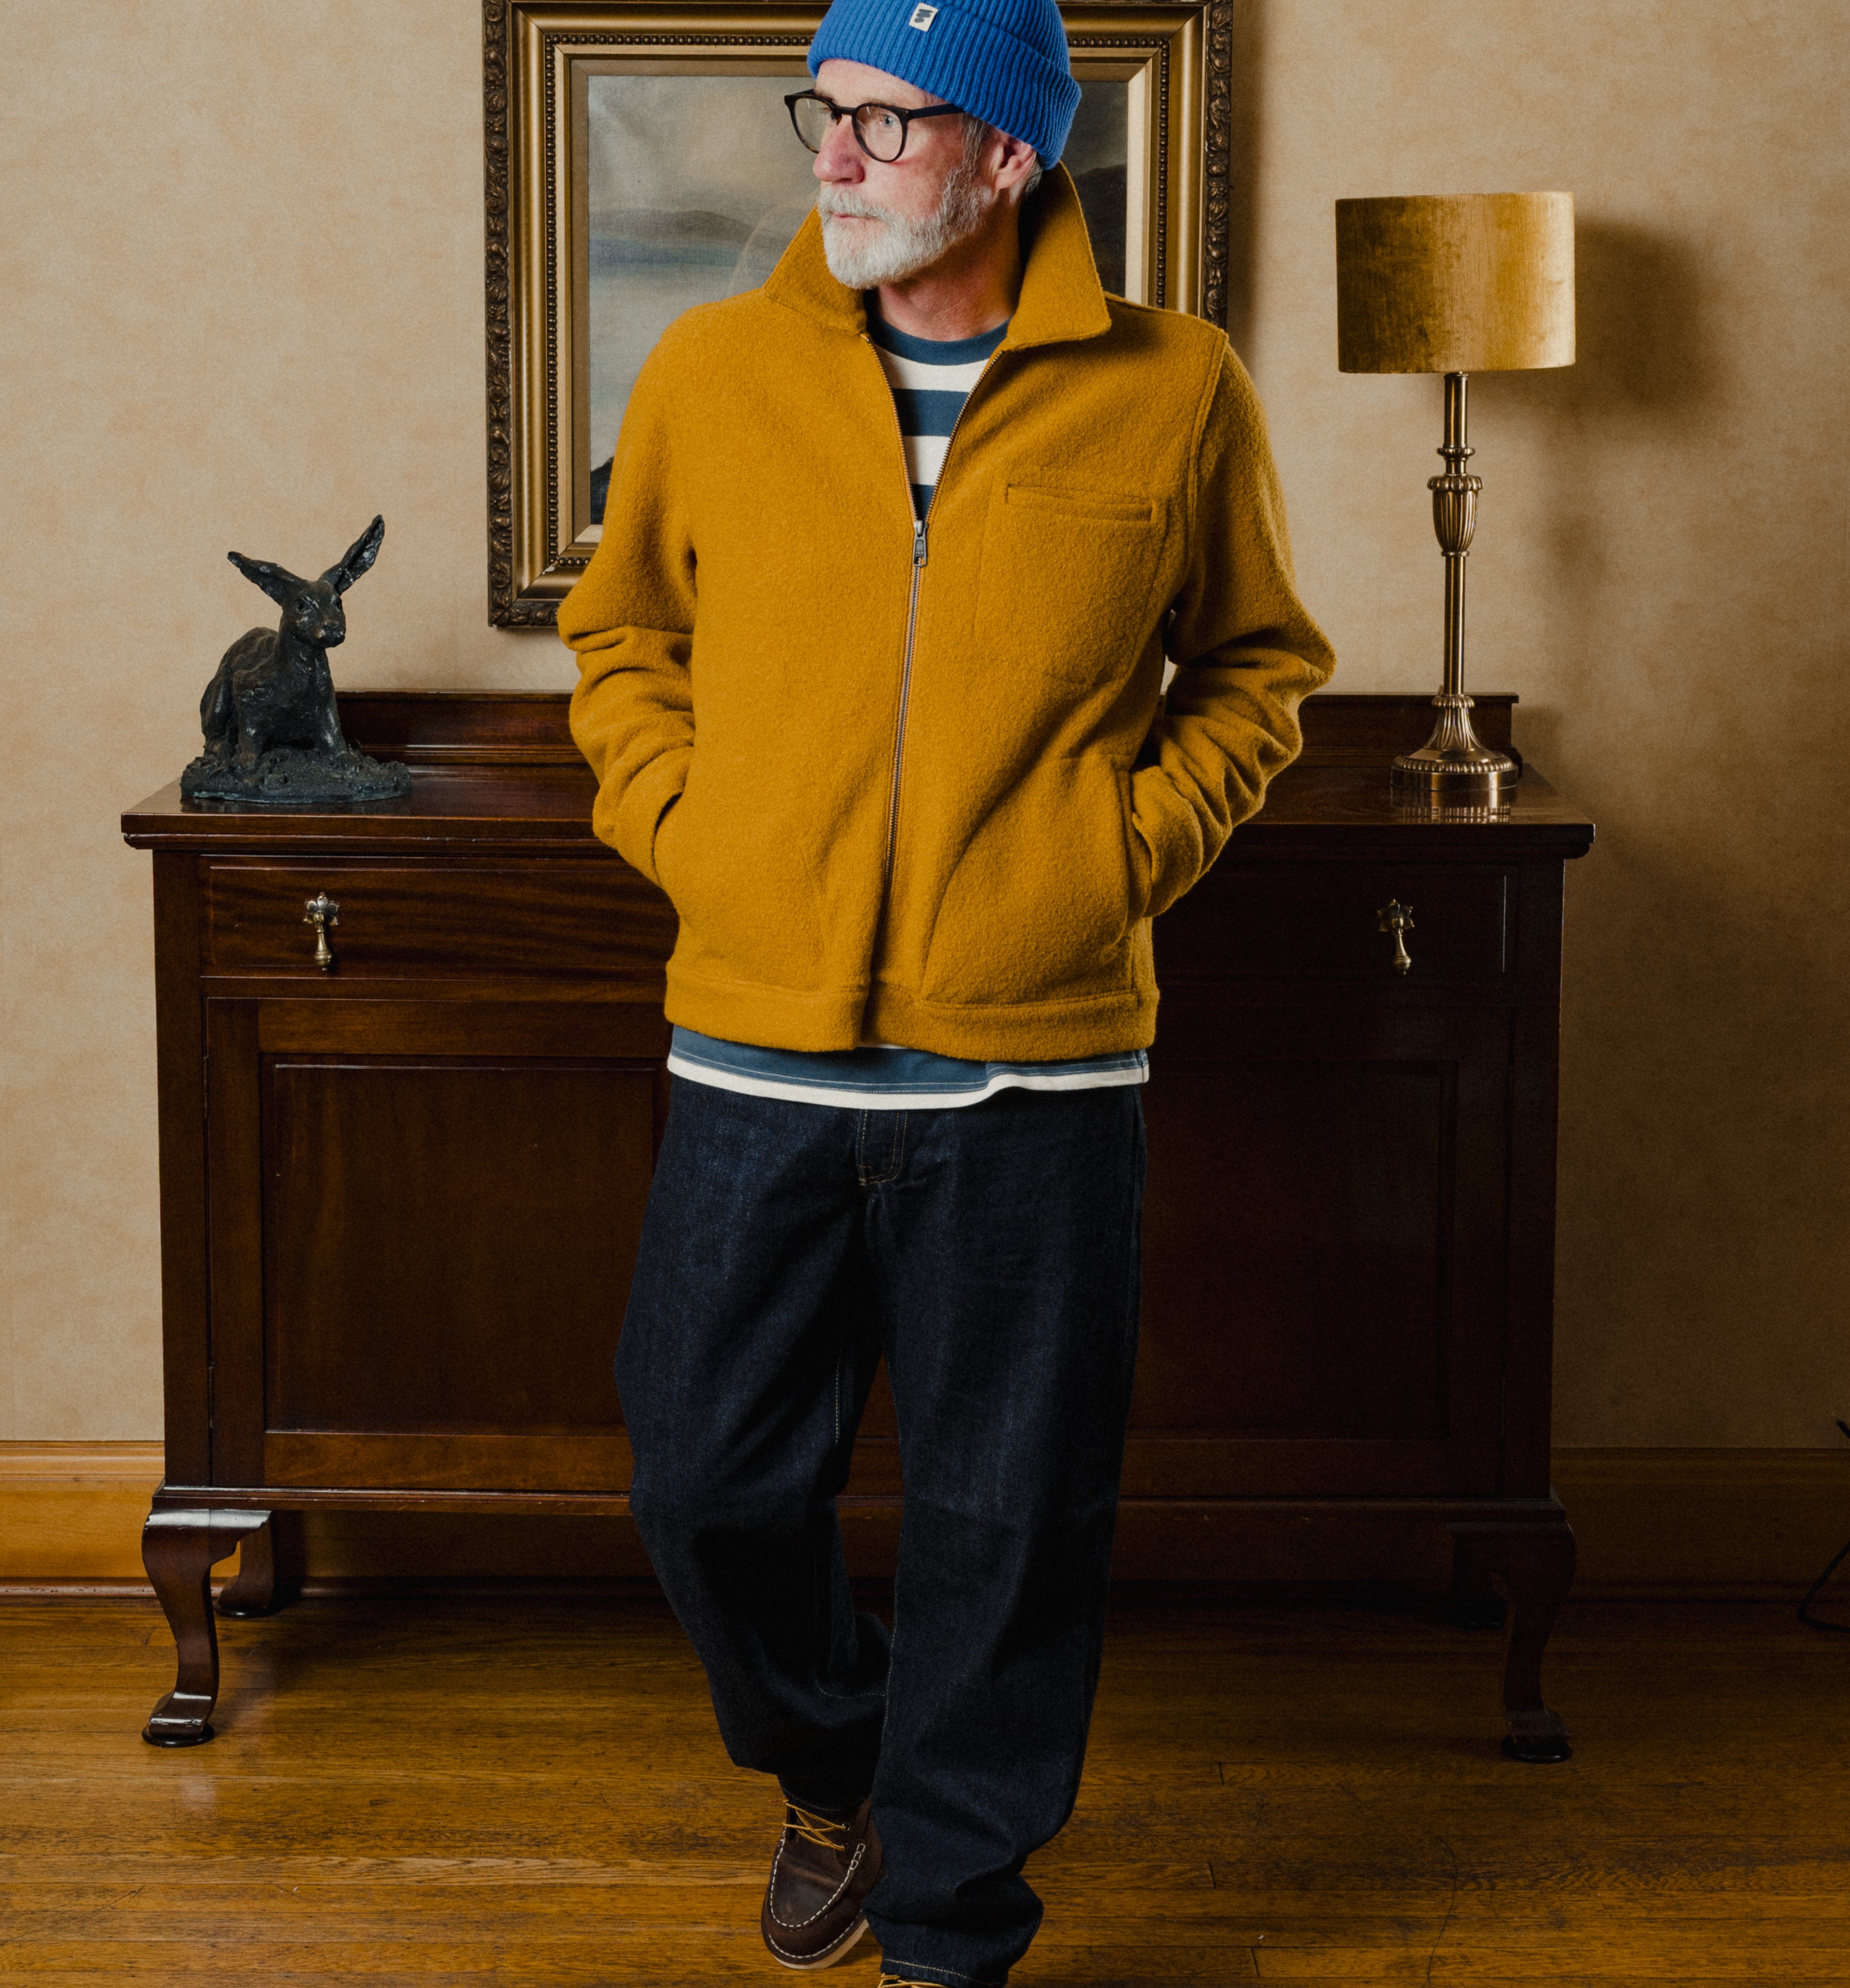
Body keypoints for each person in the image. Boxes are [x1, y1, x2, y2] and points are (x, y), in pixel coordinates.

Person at [559, 0, 1336, 1978]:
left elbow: (1260, 666)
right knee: (707, 1483)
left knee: (1011, 1519)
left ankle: (950, 1921)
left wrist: (1115, 858)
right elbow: (623, 635)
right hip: (756, 1043)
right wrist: (692, 824)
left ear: (1008, 159)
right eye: (825, 112)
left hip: (1041, 1070)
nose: (831, 155)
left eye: (887, 126)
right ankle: (842, 1771)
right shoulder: (716, 374)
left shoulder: (1175, 391)